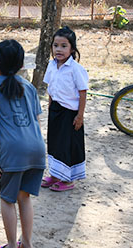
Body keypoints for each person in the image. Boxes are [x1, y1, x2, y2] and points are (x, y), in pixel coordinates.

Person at [0, 40, 45, 248]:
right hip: (37, 149)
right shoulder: (29, 87)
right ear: (21, 65)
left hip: (13, 151)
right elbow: (37, 119)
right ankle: (26, 243)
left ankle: (10, 245)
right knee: (24, 198)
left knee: (7, 199)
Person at [41, 26, 88, 192]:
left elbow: (83, 93)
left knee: (67, 145)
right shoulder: (52, 65)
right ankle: (55, 175)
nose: (58, 50)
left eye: (63, 46)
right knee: (54, 143)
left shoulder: (76, 69)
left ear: (72, 48)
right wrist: (50, 104)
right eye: (55, 45)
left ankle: (68, 180)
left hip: (70, 114)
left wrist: (80, 116)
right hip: (55, 111)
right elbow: (51, 87)